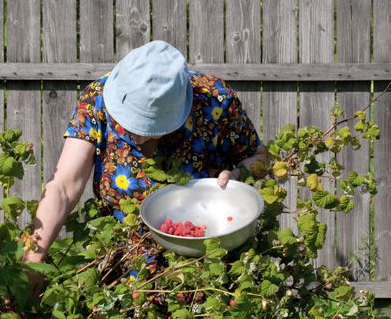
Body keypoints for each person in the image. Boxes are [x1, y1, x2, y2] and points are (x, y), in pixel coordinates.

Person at [23, 40, 268, 292]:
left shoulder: (215, 100)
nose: (137, 137)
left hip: (207, 269)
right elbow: (64, 186)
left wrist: (238, 174)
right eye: (132, 123)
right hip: (123, 272)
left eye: (150, 128)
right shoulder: (96, 100)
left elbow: (259, 157)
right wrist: (33, 257)